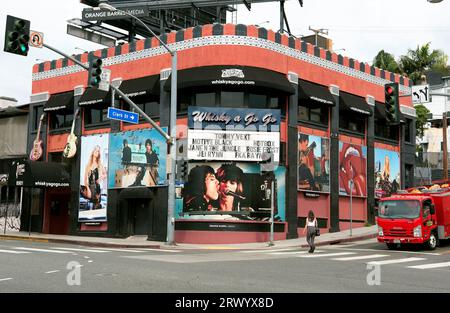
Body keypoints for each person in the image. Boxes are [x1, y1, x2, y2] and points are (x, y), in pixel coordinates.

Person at [81, 145, 106, 210]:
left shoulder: (99, 164)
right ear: (93, 151)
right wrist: (87, 188)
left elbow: (105, 174)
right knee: (91, 205)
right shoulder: (88, 165)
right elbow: (85, 179)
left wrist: (100, 178)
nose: (97, 152)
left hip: (97, 187)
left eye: (98, 151)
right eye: (96, 150)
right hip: (90, 187)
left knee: (96, 206)